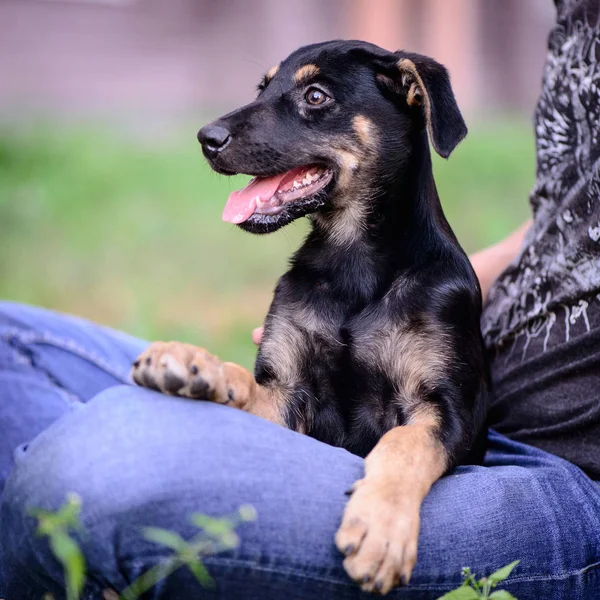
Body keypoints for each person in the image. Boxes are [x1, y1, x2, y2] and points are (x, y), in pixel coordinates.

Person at [1, 0, 599, 598]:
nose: (240, 122)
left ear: (411, 101)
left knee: (102, 455)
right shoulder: (318, 287)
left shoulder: (430, 304)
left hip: (542, 476)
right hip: (354, 426)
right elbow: (282, 406)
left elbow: (442, 421)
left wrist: (397, 476)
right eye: (270, 91)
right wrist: (233, 383)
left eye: (314, 100)